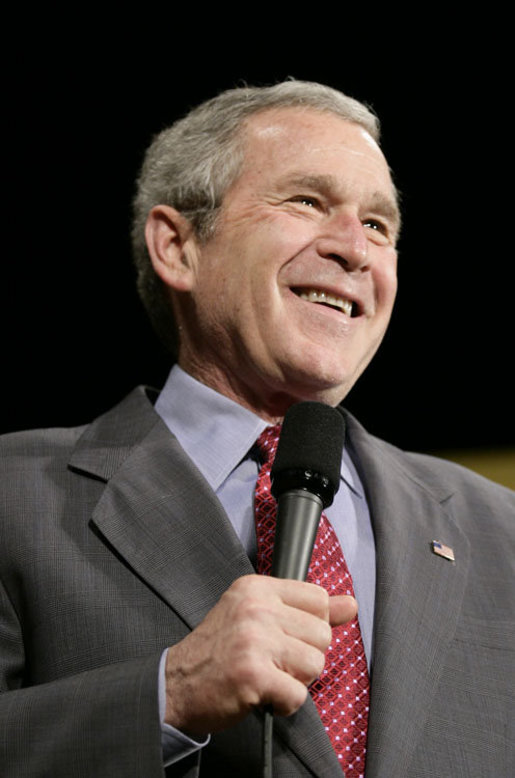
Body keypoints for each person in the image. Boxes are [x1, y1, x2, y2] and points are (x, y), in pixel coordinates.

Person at [0, 81, 513, 778]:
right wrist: (168, 695)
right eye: (306, 201)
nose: (354, 250)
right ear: (177, 247)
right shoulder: (14, 494)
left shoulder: (498, 528)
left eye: (378, 226)